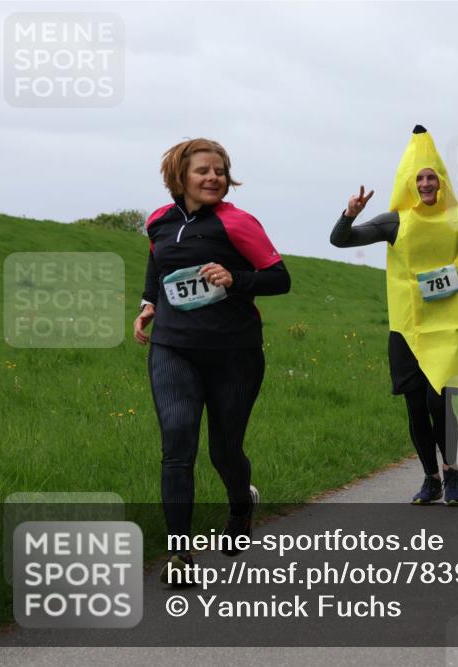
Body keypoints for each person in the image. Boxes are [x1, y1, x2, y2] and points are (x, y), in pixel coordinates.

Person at [134, 138, 291, 585]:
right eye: (203, 170)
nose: (213, 178)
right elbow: (157, 268)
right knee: (178, 446)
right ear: (180, 175)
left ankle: (242, 506)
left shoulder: (238, 222)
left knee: (224, 450)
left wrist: (235, 278)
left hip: (233, 353)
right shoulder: (159, 222)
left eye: (220, 171)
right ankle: (181, 557)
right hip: (173, 347)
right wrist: (149, 304)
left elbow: (279, 279)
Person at [330, 125, 458, 506]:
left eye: (431, 177)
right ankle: (430, 477)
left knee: (438, 403)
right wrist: (350, 214)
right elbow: (340, 240)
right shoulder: (395, 221)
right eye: (419, 178)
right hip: (407, 328)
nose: (425, 184)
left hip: (447, 326)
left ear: (441, 182)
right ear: (409, 183)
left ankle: (452, 470)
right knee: (415, 406)